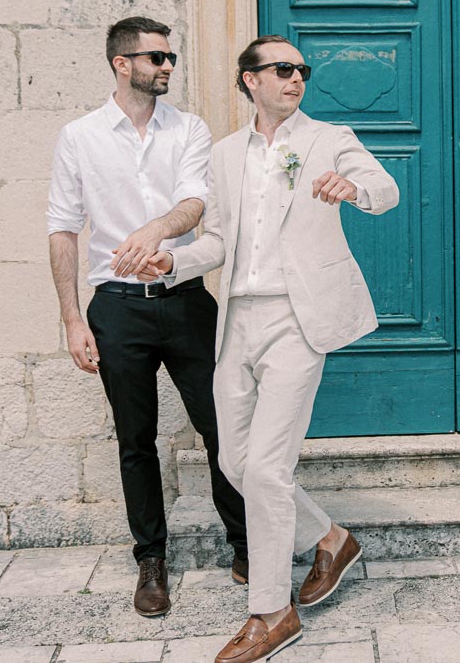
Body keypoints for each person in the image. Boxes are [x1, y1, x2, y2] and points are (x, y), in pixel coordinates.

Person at [141, 35, 399, 663]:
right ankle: (331, 539)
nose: (296, 79)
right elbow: (219, 240)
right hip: (237, 321)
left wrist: (352, 188)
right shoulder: (227, 155)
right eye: (282, 70)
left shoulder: (327, 138)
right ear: (249, 80)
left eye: (301, 70)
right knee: (233, 463)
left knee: (266, 469)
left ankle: (270, 613)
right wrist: (170, 260)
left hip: (297, 318)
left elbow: (384, 187)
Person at [46, 16, 249, 618]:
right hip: (115, 309)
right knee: (136, 440)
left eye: (170, 58)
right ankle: (151, 561)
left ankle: (245, 544)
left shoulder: (188, 129)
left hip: (184, 300)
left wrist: (153, 231)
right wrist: (71, 321)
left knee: (223, 428)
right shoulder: (79, 136)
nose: (166, 67)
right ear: (121, 63)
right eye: (156, 58)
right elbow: (62, 229)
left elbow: (194, 204)